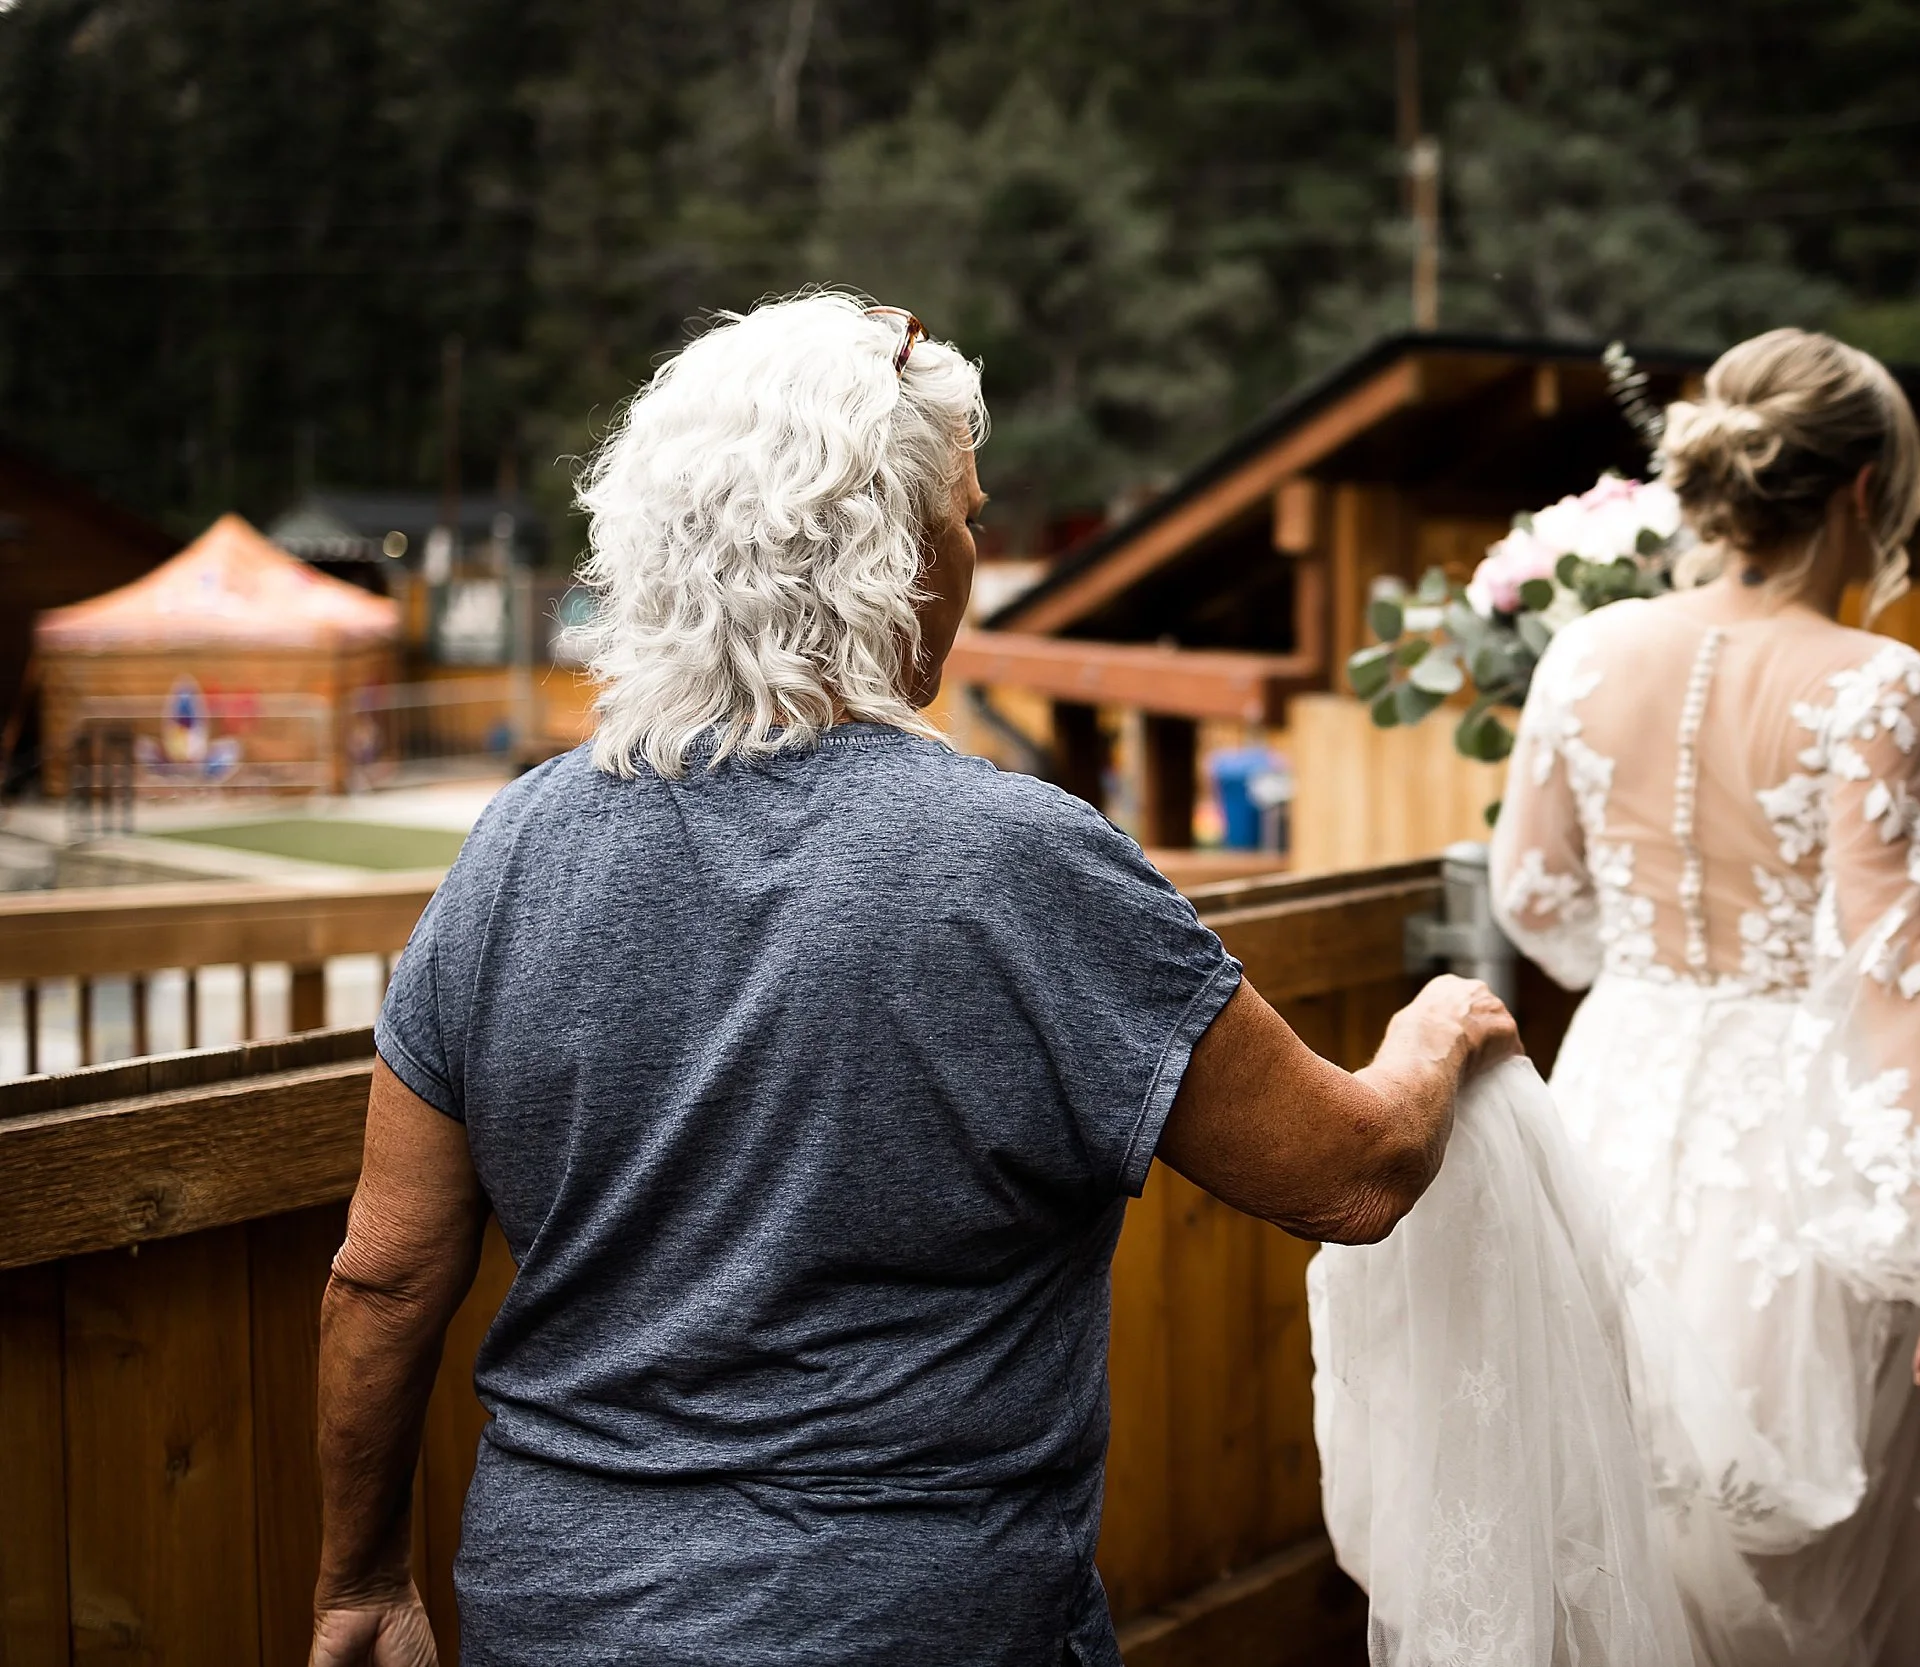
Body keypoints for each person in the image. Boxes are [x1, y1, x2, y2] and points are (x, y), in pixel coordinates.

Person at [306, 293, 1517, 1667]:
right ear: (888, 552)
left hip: (559, 1613)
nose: (972, 548)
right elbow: (1346, 1175)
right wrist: (1437, 1030)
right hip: (914, 1619)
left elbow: (385, 1273)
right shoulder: (1013, 859)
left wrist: (359, 1581)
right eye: (965, 517)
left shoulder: (514, 847)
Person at [1477, 328, 1920, 1662]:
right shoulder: (1874, 683)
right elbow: (1907, 978)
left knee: (1619, 1493)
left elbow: (1533, 896)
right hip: (1804, 1150)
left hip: (1617, 1099)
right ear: (1863, 491)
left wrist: (1652, 971)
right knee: (1813, 1557)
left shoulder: (1588, 652)